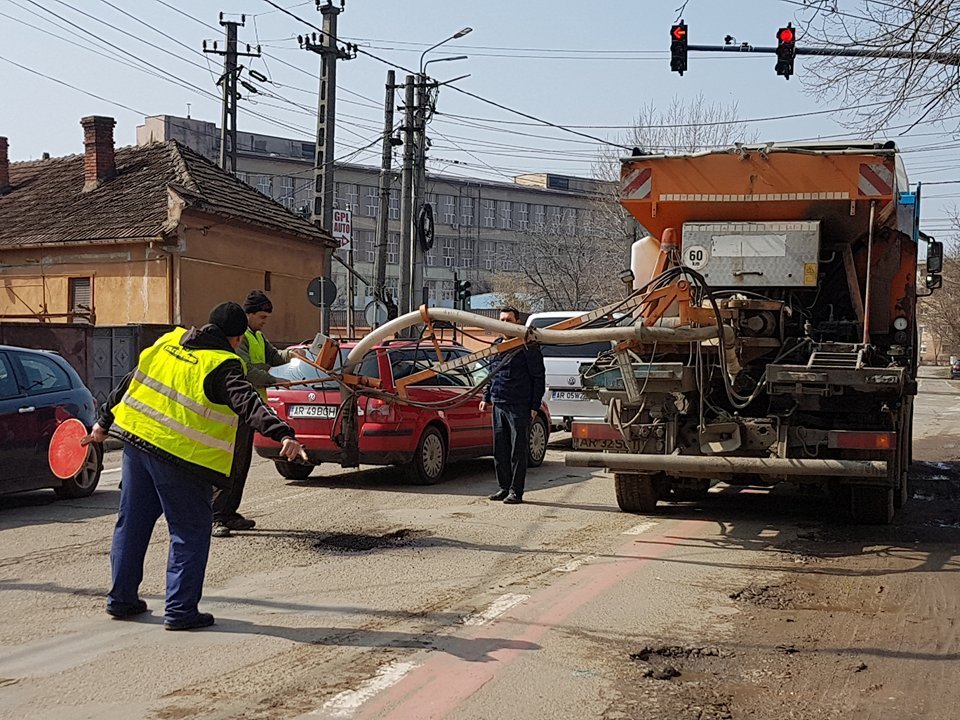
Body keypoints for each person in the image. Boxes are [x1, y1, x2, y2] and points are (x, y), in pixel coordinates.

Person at [83, 302, 306, 631]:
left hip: (136, 445)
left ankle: (121, 599)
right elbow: (248, 402)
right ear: (235, 338)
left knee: (132, 524)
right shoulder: (223, 365)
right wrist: (283, 433)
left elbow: (129, 382)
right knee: (190, 532)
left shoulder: (168, 343)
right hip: (180, 458)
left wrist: (102, 423)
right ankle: (181, 610)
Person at [212, 290, 292, 538]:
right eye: (261, 317)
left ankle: (230, 512)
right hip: (234, 409)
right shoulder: (238, 337)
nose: (264, 321)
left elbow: (275, 357)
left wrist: (295, 353)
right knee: (228, 464)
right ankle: (217, 516)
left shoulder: (258, 336)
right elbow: (244, 370)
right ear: (248, 315)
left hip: (251, 408)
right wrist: (273, 379)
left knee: (242, 464)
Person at [479, 307, 546, 504]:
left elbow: (538, 377)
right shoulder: (497, 345)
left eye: (508, 319)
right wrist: (486, 396)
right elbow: (492, 373)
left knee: (518, 450)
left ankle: (516, 491)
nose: (504, 323)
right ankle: (503, 487)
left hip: (520, 405)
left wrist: (534, 406)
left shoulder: (528, 346)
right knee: (500, 450)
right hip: (499, 403)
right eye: (501, 320)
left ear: (517, 322)